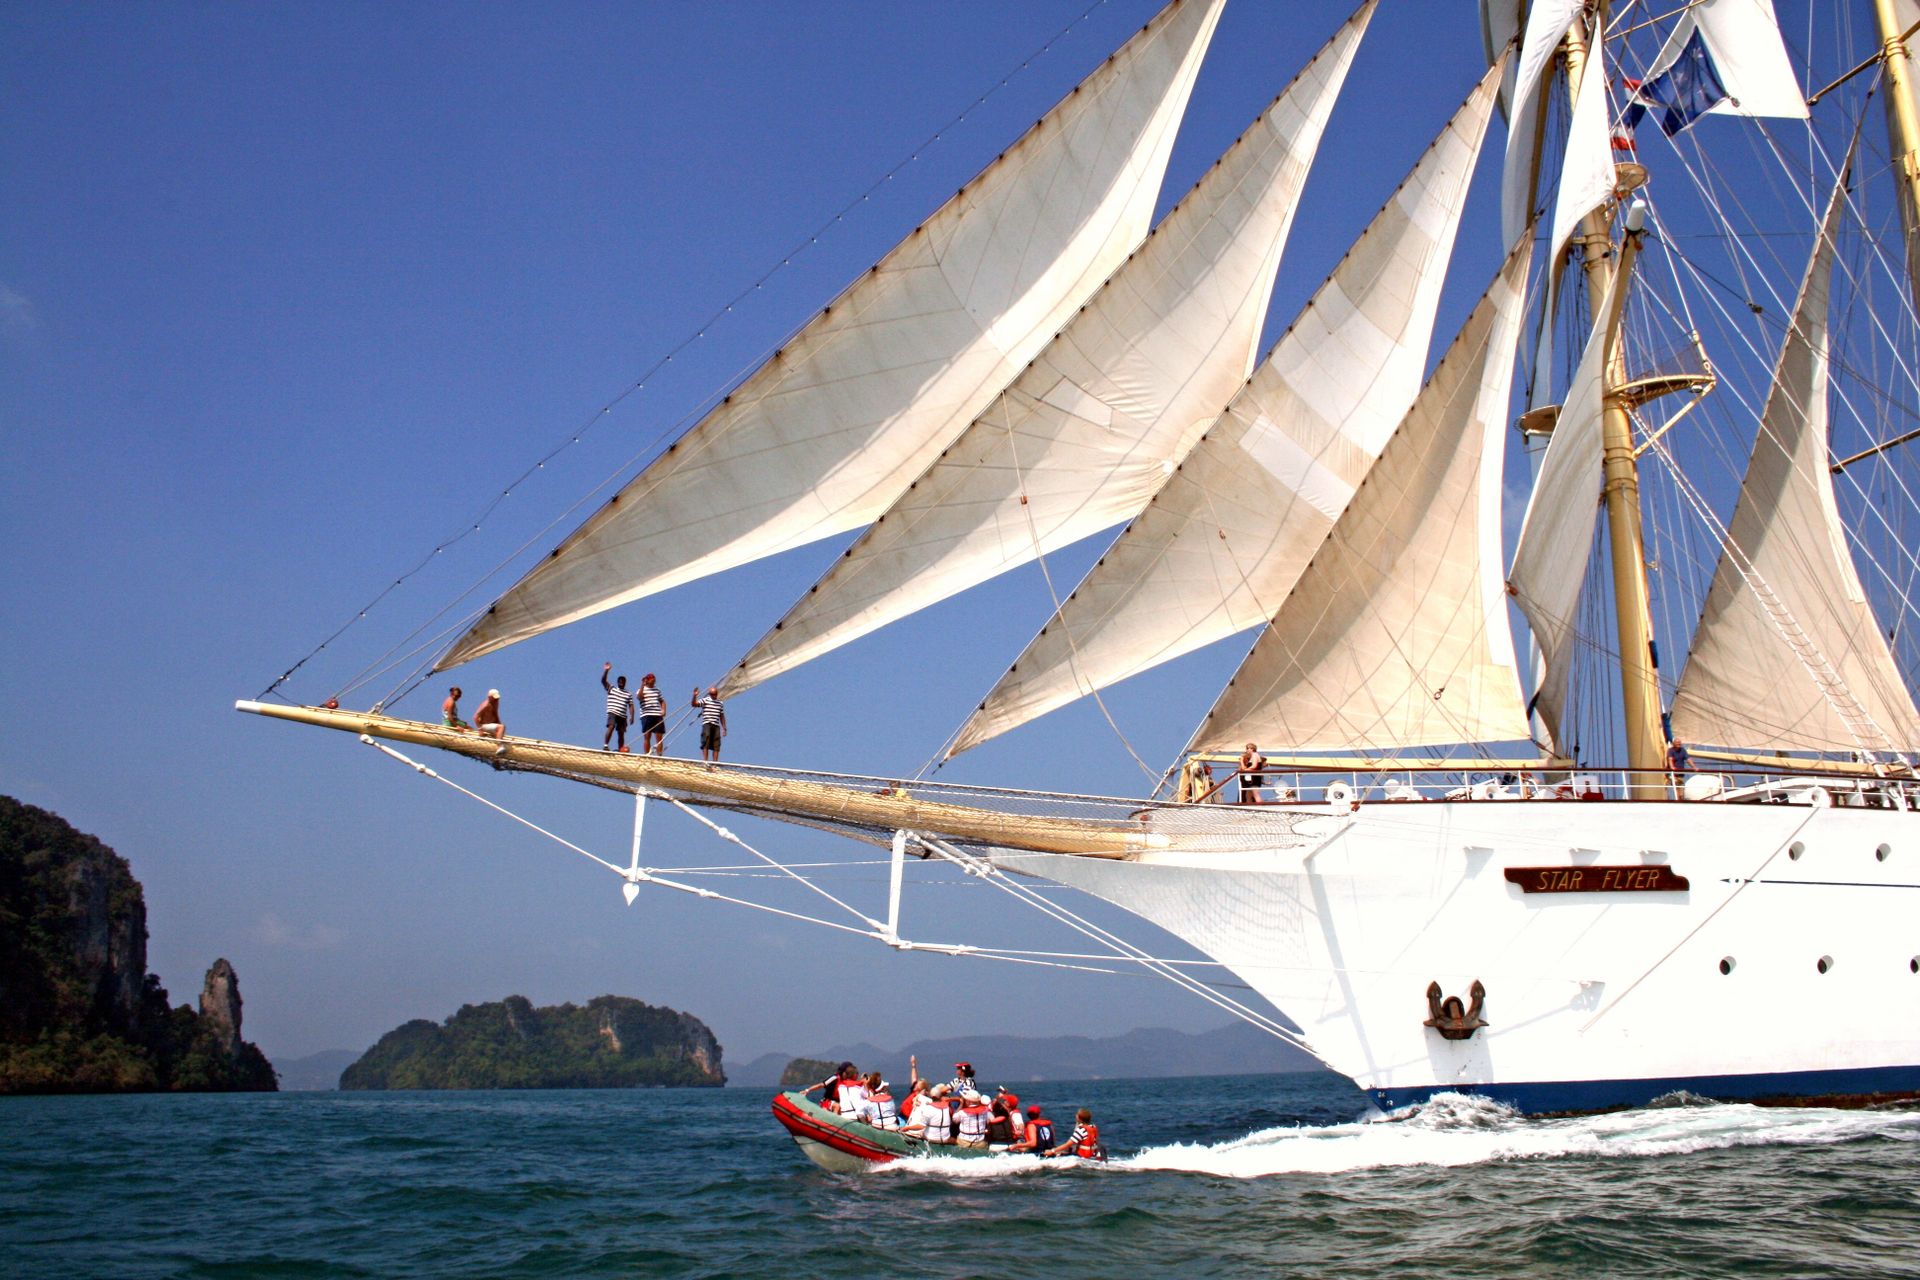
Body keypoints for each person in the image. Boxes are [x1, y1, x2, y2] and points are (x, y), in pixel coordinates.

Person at [601, 663, 635, 751]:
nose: (621, 683)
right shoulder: (612, 688)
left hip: (622, 716)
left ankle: (620, 749)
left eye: (623, 682)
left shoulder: (628, 693)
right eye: (620, 681)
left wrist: (632, 716)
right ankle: (606, 745)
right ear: (618, 682)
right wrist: (606, 670)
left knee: (621, 733)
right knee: (611, 726)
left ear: (625, 683)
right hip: (613, 712)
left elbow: (631, 705)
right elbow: (603, 681)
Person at [692, 685, 727, 763]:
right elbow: (694, 704)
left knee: (716, 743)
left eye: (715, 694)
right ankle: (705, 761)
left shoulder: (720, 703)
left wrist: (724, 728)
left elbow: (722, 716)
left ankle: (715, 763)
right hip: (707, 723)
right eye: (713, 694)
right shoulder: (705, 700)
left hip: (716, 725)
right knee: (706, 740)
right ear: (710, 694)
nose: (714, 696)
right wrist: (694, 696)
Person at [636, 674, 667, 756]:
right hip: (646, 714)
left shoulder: (657, 690)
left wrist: (663, 710)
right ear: (648, 680)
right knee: (647, 736)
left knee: (659, 736)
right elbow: (639, 697)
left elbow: (662, 701)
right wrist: (642, 685)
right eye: (651, 680)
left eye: (654, 680)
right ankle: (647, 754)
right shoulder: (641, 690)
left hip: (657, 714)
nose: (653, 682)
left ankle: (659, 754)